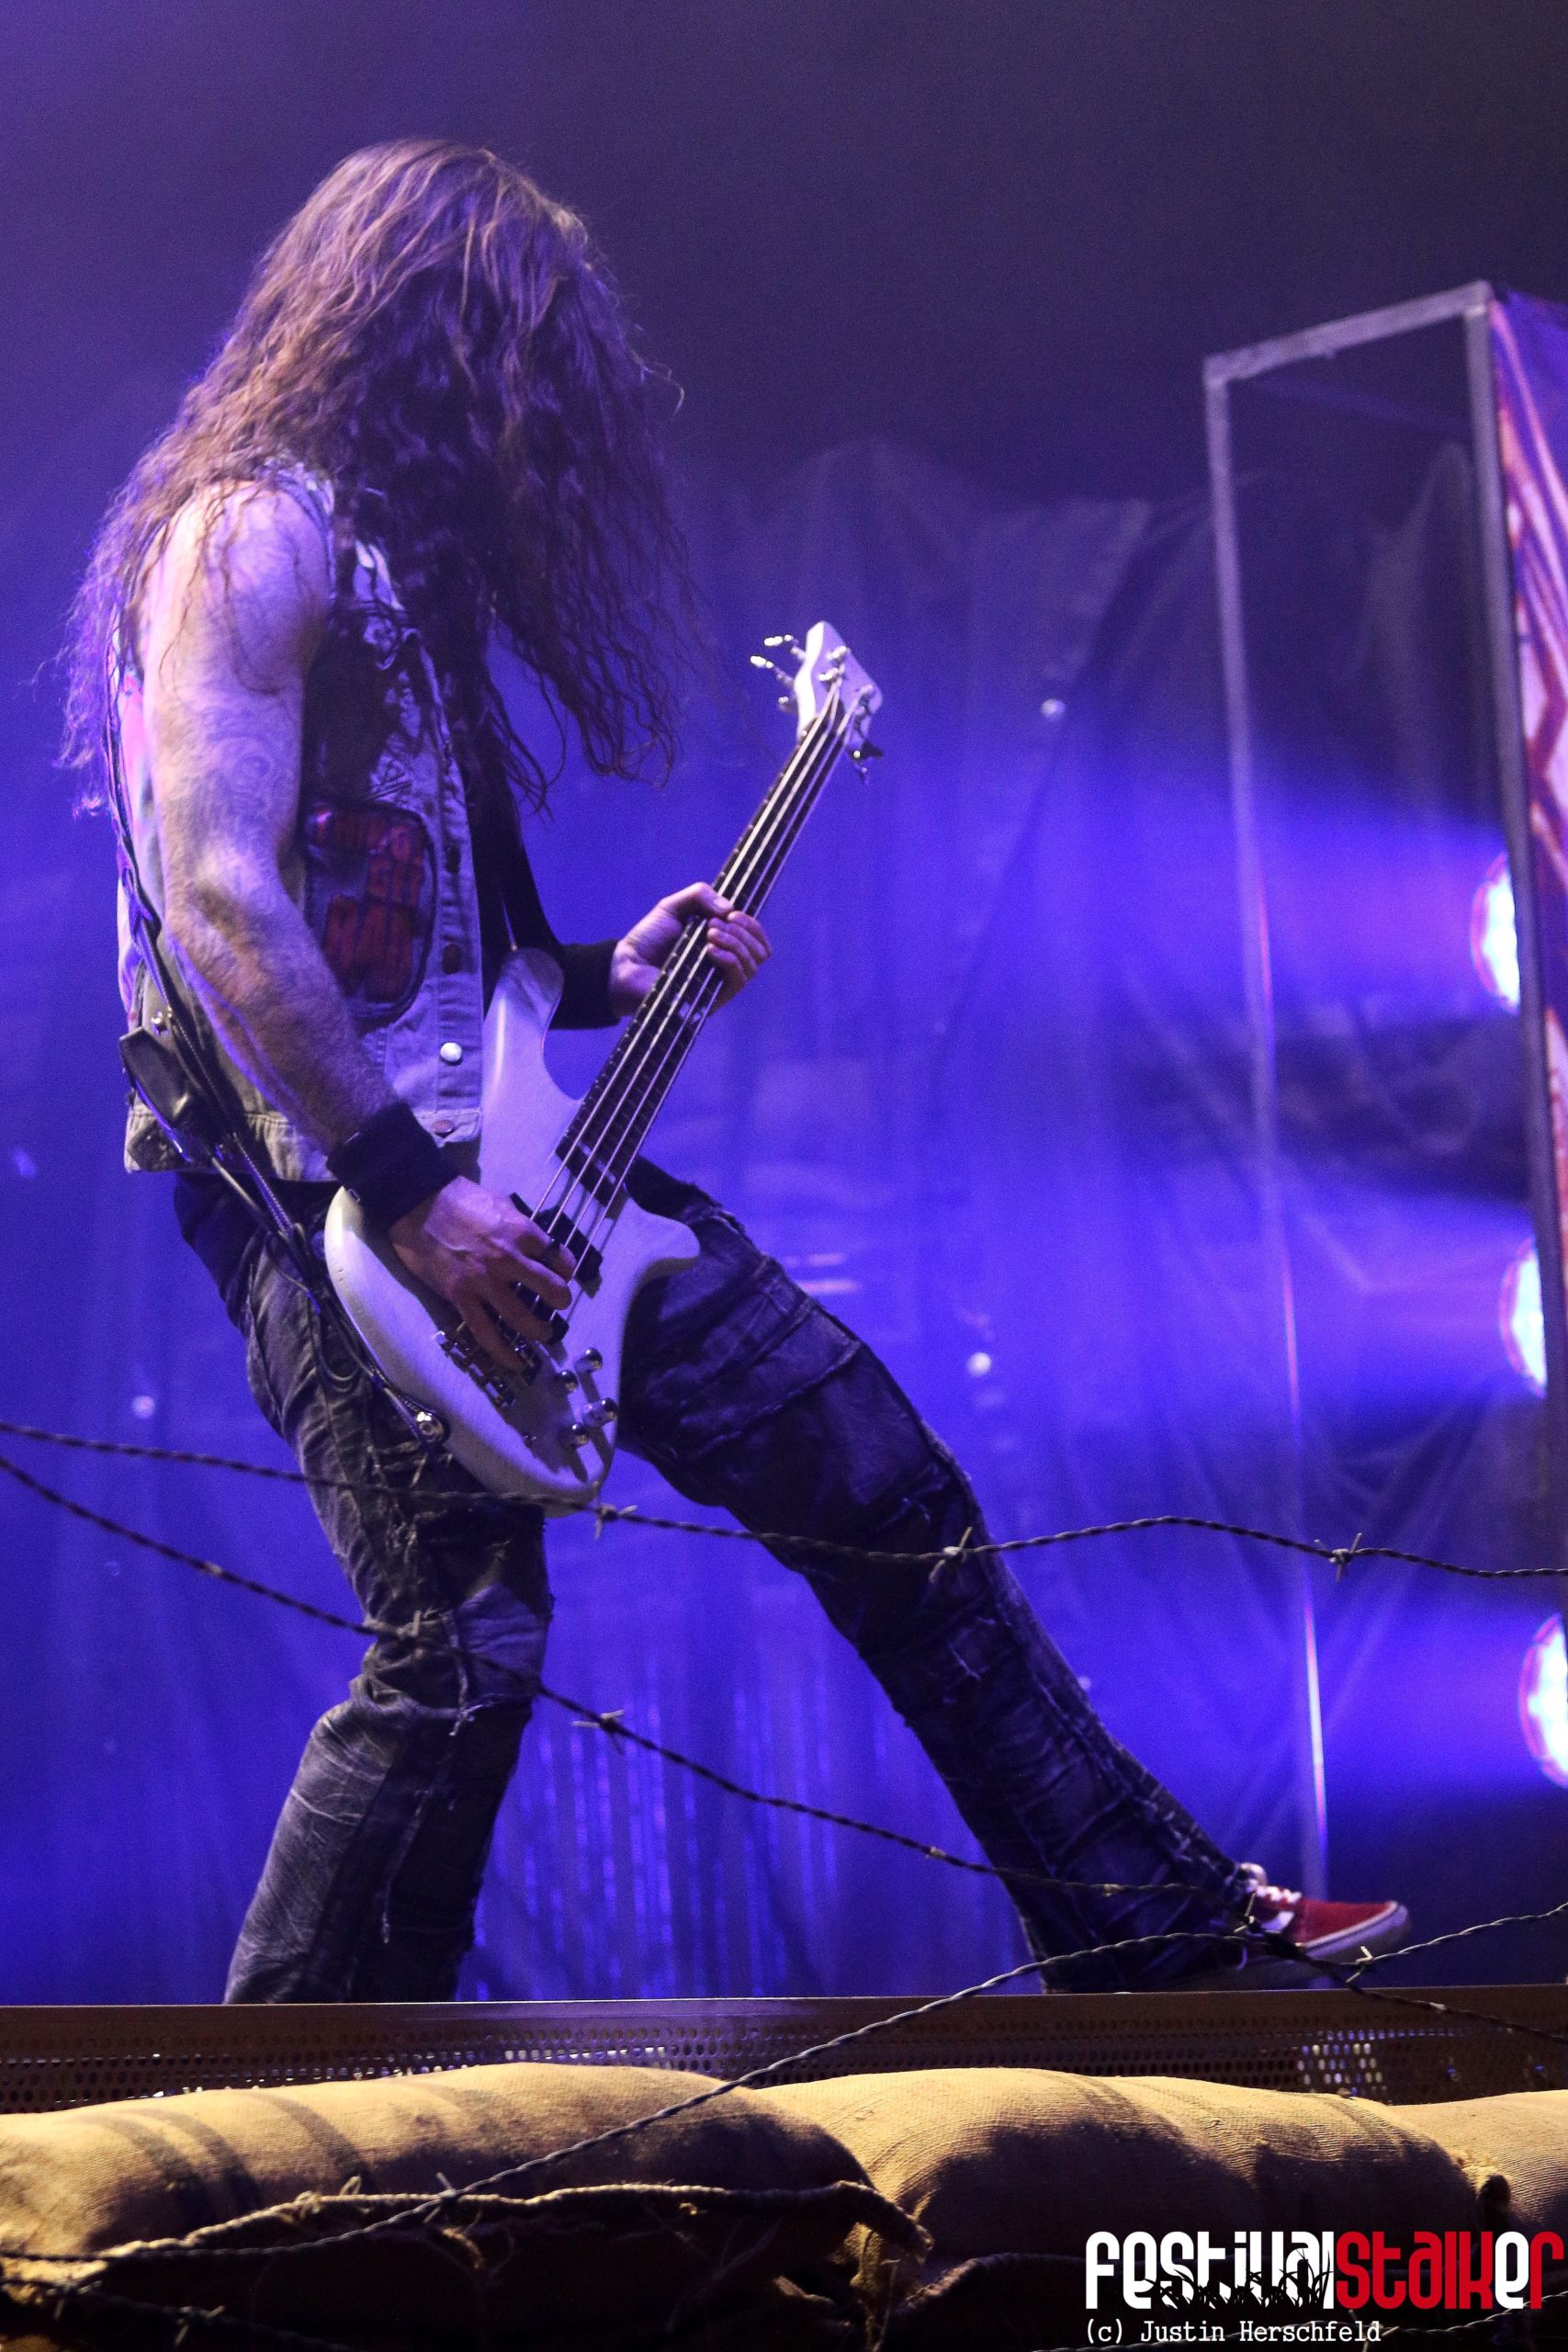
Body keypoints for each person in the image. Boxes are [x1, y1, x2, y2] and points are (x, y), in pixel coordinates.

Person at [64, 141, 1403, 2003]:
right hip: (330, 1202)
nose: (543, 414)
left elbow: (420, 949)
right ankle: (279, 2099)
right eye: (522, 359)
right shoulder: (245, 536)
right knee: (457, 1646)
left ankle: (1146, 1928)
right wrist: (406, 1195)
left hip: (479, 1175)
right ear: (423, 334)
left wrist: (590, 973)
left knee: (871, 1471)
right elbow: (219, 898)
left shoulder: (399, 589)